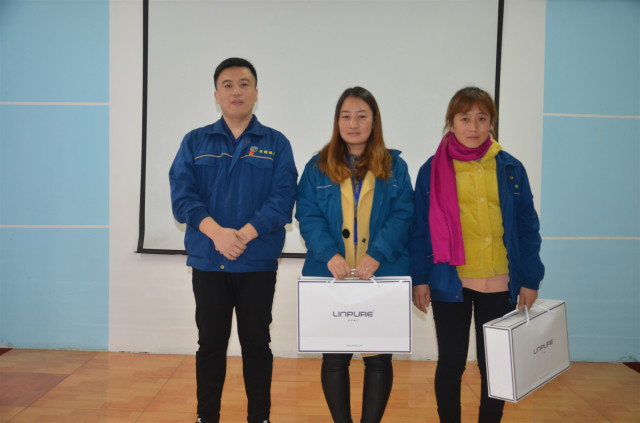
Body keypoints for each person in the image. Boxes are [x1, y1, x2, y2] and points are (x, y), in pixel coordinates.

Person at [169, 57, 298, 423]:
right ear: (216, 95)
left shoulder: (276, 143)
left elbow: (283, 198)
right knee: (210, 344)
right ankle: (206, 416)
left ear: (256, 93)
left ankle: (260, 417)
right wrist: (218, 234)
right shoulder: (195, 141)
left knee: (257, 344)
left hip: (256, 262)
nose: (236, 91)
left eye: (244, 84)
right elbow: (183, 197)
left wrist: (241, 236)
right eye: (227, 85)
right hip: (209, 261)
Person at [409, 87, 545, 423]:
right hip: (449, 281)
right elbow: (419, 230)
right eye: (465, 118)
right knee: (451, 363)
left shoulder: (510, 167)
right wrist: (420, 278)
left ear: (491, 123)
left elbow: (527, 228)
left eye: (482, 118)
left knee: (495, 366)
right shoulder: (431, 170)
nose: (473, 127)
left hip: (500, 282)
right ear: (451, 122)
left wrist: (530, 279)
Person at [296, 87, 414, 422]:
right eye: (346, 116)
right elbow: (307, 215)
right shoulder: (317, 166)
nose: (353, 123)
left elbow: (404, 214)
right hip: (331, 275)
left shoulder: (395, 166)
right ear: (337, 122)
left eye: (362, 116)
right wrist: (328, 254)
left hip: (381, 273)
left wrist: (377, 253)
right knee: (335, 359)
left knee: (378, 359)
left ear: (374, 122)